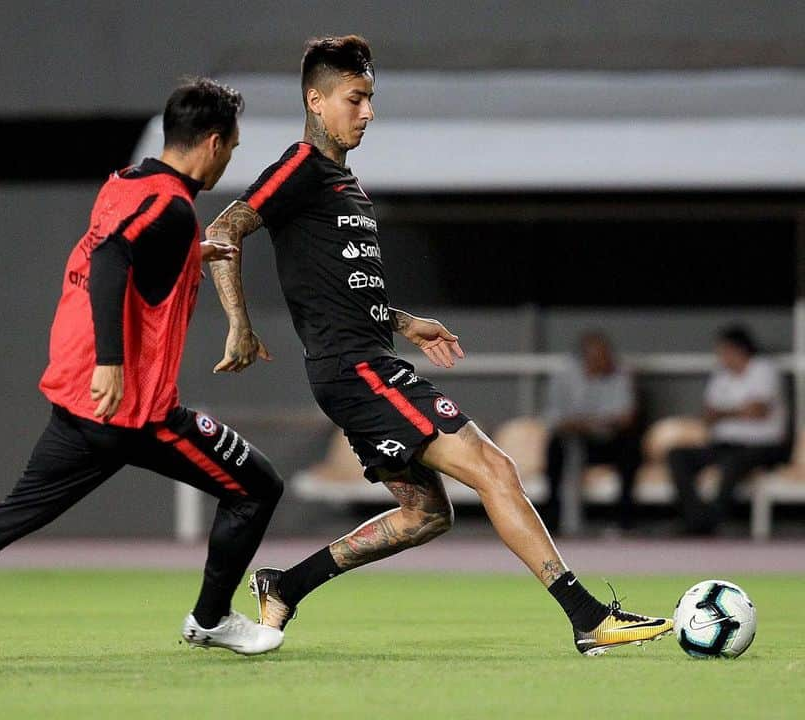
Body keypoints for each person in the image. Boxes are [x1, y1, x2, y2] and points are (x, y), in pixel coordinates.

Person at [205, 35, 671, 656]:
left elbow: (339, 288)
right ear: (316, 101)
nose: (367, 112)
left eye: (370, 99)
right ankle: (589, 619)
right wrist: (238, 320)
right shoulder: (301, 167)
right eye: (355, 98)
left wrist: (403, 320)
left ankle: (285, 584)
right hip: (358, 370)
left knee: (426, 514)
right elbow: (224, 227)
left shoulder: (343, 184)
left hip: (366, 360)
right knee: (496, 469)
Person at [0, 79, 287, 663]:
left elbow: (118, 248)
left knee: (11, 514)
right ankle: (211, 619)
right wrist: (113, 363)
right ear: (213, 142)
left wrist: (190, 256)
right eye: (232, 148)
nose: (230, 159)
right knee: (257, 487)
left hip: (79, 400)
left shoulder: (126, 184)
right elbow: (112, 259)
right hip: (133, 410)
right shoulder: (173, 206)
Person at [669, 325, 788, 535]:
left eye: (723, 351)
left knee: (732, 463)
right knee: (678, 455)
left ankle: (713, 521)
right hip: (724, 444)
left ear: (739, 349)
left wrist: (723, 413)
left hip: (763, 446)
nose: (720, 356)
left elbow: (757, 411)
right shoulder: (721, 375)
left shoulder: (763, 368)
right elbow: (708, 415)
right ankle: (696, 519)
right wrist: (739, 411)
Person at [544, 331, 641, 531]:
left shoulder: (621, 373)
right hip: (574, 439)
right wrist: (590, 422)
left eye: (606, 355)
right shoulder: (564, 376)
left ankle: (624, 522)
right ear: (584, 358)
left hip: (609, 440)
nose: (604, 360)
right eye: (598, 356)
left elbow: (626, 418)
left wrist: (589, 422)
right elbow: (554, 419)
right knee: (556, 445)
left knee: (630, 446)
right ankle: (553, 521)